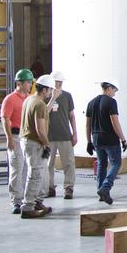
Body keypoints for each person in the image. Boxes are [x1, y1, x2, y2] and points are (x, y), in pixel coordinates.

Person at [84, 80, 127, 204]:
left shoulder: (91, 103)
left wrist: (88, 141)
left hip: (96, 139)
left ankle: (101, 192)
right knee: (116, 163)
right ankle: (105, 187)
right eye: (114, 90)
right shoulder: (111, 102)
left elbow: (87, 125)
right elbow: (115, 122)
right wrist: (123, 139)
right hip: (110, 139)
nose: (114, 94)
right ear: (109, 88)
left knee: (101, 164)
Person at [19, 74, 57, 219]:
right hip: (35, 143)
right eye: (50, 90)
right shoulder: (39, 104)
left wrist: (53, 99)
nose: (50, 93)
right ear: (45, 89)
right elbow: (40, 129)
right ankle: (28, 207)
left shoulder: (29, 99)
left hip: (27, 141)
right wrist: (46, 145)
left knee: (39, 174)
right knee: (35, 175)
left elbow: (43, 114)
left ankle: (36, 203)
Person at [0, 69, 34, 215]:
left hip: (27, 137)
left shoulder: (30, 98)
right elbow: (5, 118)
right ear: (19, 83)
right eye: (28, 82)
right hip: (15, 137)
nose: (30, 85)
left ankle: (26, 198)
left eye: (31, 82)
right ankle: (16, 201)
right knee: (16, 168)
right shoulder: (10, 99)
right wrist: (9, 138)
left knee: (26, 168)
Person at [45, 70, 77, 200]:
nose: (58, 84)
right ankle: (49, 187)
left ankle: (68, 188)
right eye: (56, 82)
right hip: (49, 136)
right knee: (48, 164)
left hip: (64, 134)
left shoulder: (67, 96)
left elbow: (71, 116)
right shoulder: (46, 97)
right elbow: (43, 113)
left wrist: (74, 133)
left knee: (68, 163)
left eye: (60, 82)